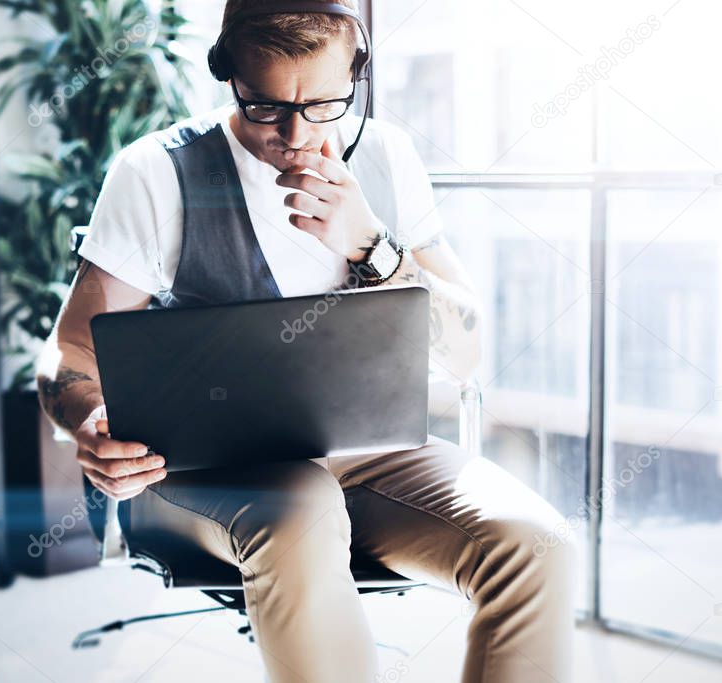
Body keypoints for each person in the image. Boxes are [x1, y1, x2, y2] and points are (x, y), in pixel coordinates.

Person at [36, 1, 575, 680]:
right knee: (301, 512)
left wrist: (370, 245)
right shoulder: (157, 173)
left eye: (324, 103)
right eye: (265, 107)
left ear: (357, 70)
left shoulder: (385, 156)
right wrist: (87, 418)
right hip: (204, 467)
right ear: (226, 72)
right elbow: (69, 353)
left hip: (368, 454)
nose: (295, 133)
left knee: (538, 545)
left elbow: (465, 354)